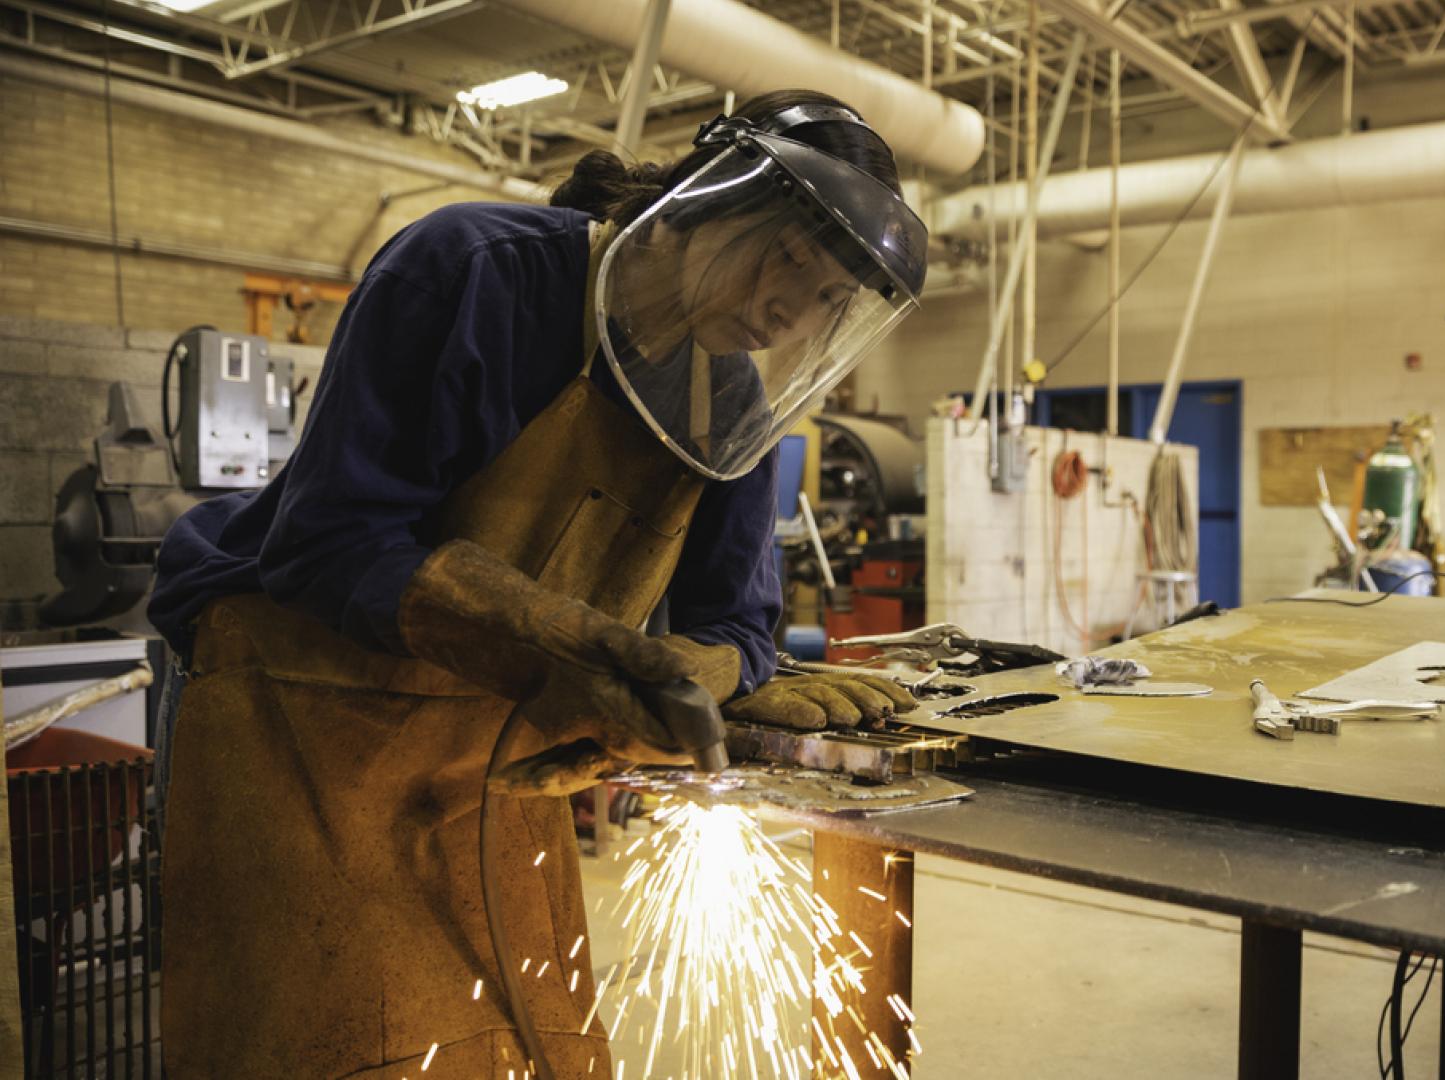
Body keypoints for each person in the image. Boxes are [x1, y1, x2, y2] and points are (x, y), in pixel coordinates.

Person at [146, 90, 927, 1077]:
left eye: (824, 298)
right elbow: (328, 543)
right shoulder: (475, 270)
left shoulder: (725, 394)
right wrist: (559, 638)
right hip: (300, 717)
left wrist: (715, 668)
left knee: (530, 1049)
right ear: (702, 199)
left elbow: (738, 618)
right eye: (787, 258)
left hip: (502, 740)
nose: (790, 308)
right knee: (324, 1050)